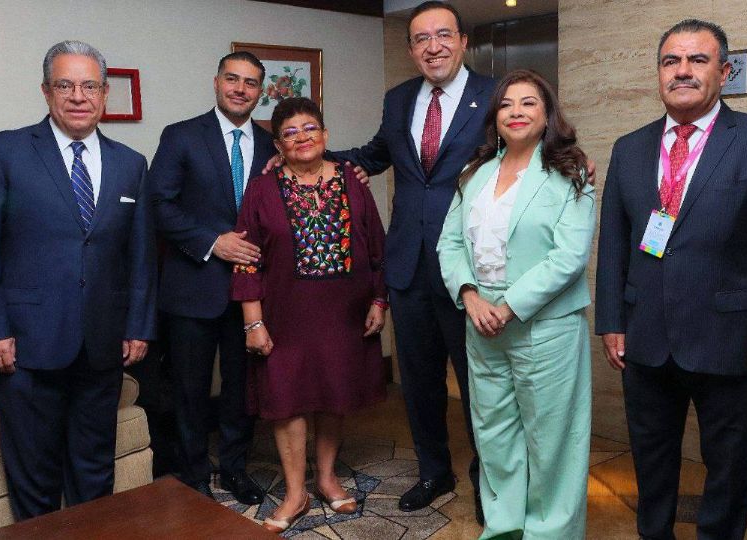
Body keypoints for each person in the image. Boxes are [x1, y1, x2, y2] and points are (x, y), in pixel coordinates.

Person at [595, 19, 747, 540]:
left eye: (697, 60)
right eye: (670, 61)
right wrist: (611, 321)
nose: (682, 71)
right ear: (658, 74)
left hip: (728, 337)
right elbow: (616, 243)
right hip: (644, 336)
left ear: (724, 71)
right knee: (650, 456)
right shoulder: (630, 148)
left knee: (729, 463)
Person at [0, 40, 157, 520]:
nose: (78, 96)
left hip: (103, 345)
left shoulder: (131, 163)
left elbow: (141, 256)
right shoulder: (3, 151)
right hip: (25, 347)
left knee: (94, 474)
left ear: (105, 94)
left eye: (89, 85)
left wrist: (139, 326)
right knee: (34, 480)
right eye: (65, 85)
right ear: (46, 92)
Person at [328, 1, 491, 519]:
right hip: (409, 264)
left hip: (472, 266)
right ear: (411, 49)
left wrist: (571, 158)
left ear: (464, 41)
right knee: (419, 382)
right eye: (421, 38)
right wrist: (310, 156)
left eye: (444, 35)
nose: (433, 46)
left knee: (479, 383)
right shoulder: (398, 99)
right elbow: (377, 154)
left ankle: (491, 479)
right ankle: (433, 472)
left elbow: (533, 143)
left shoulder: (493, 96)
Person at [438, 69, 595, 539]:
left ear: (548, 115)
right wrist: (469, 295)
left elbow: (569, 256)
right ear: (495, 117)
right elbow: (449, 244)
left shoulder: (569, 173)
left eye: (529, 103)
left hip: (544, 328)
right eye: (507, 104)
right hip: (480, 324)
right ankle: (505, 527)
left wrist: (507, 307)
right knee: (496, 437)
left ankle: (550, 533)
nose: (517, 112)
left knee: (552, 443)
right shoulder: (475, 174)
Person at [232, 97, 387, 534]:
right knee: (288, 399)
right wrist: (253, 320)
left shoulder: (354, 182)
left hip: (344, 315)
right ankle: (296, 492)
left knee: (334, 393)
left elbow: (377, 246)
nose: (302, 138)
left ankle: (326, 477)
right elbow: (246, 260)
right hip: (284, 315)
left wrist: (380, 300)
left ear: (326, 136)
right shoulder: (261, 189)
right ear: (277, 146)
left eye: (310, 129)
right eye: (290, 133)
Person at [147, 51, 275, 502]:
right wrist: (213, 242)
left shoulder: (271, 144)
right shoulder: (181, 136)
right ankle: (194, 473)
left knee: (243, 390)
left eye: (251, 82)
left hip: (250, 297)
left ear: (261, 91)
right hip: (193, 287)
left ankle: (236, 469)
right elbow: (159, 205)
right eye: (233, 79)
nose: (241, 89)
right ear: (217, 83)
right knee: (190, 390)